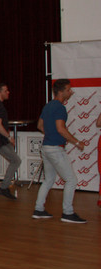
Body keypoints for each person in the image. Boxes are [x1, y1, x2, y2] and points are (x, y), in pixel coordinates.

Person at [34, 79, 87, 223]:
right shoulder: (60, 108)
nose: (71, 92)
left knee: (49, 180)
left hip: (46, 147)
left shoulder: (48, 106)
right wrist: (77, 142)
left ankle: (38, 209)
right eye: (69, 90)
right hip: (55, 149)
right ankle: (67, 213)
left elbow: (40, 125)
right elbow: (61, 129)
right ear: (61, 92)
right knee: (71, 180)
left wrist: (51, 135)